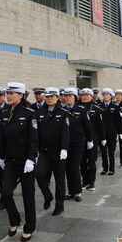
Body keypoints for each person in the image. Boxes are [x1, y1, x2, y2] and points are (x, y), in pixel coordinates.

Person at [0, 82, 38, 242]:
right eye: (7, 93)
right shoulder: (4, 113)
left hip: (26, 161)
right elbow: (2, 137)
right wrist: (1, 156)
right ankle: (14, 220)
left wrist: (31, 158)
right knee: (6, 193)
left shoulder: (29, 113)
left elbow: (34, 140)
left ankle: (29, 227)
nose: (8, 96)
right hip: (10, 161)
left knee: (28, 196)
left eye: (12, 93)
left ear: (21, 95)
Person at [35, 87, 70, 216]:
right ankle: (47, 195)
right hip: (44, 151)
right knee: (39, 174)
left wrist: (64, 149)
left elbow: (65, 132)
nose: (49, 99)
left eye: (52, 96)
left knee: (60, 179)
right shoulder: (40, 112)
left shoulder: (63, 112)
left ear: (57, 97)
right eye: (47, 97)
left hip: (58, 151)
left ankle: (59, 205)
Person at [62, 88, 94, 201]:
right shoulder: (61, 110)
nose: (67, 97)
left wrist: (90, 140)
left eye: (70, 95)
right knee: (67, 168)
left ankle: (77, 192)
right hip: (65, 146)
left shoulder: (81, 110)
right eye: (66, 95)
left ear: (75, 97)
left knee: (74, 167)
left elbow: (88, 127)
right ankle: (71, 191)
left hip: (78, 144)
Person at [79, 88, 105, 191]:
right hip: (81, 139)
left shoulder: (96, 108)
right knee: (82, 162)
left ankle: (92, 182)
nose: (85, 97)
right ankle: (85, 181)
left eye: (87, 95)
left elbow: (101, 125)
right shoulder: (77, 107)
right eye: (83, 95)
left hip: (93, 139)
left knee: (91, 162)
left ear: (91, 96)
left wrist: (103, 138)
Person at [99, 88, 122, 175]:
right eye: (104, 94)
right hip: (102, 133)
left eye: (107, 94)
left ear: (111, 96)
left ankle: (111, 168)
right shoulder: (99, 106)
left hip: (112, 133)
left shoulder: (115, 107)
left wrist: (120, 132)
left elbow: (118, 121)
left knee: (111, 151)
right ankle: (105, 168)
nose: (105, 96)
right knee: (103, 151)